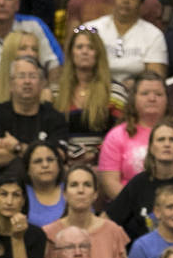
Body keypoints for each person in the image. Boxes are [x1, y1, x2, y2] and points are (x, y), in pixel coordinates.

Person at [97, 73, 173, 199]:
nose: (152, 98)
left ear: (167, 99)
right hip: (131, 210)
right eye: (145, 93)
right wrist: (136, 206)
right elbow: (110, 182)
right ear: (133, 98)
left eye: (158, 94)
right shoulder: (116, 135)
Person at [43, 164, 131, 258]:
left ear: (95, 194)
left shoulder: (113, 231)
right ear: (65, 194)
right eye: (74, 185)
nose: (81, 190)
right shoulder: (49, 233)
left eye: (87, 185)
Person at [0, 55, 69, 173]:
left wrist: (18, 147)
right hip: (3, 184)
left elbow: (58, 157)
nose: (27, 81)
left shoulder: (55, 117)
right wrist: (40, 155)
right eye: (21, 76)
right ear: (11, 84)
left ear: (42, 84)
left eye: (32, 76)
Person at [53, 25, 126, 165]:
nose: (84, 52)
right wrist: (72, 156)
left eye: (90, 48)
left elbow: (120, 132)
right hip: (64, 163)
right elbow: (53, 133)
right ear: (71, 53)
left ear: (98, 53)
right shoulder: (55, 93)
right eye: (79, 47)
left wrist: (94, 154)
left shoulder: (115, 91)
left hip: (105, 164)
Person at [83, 0, 167, 86]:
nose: (126, 1)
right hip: (94, 87)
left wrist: (136, 84)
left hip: (133, 94)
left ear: (141, 3)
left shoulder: (154, 35)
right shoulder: (92, 28)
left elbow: (155, 77)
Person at [0, 29, 42, 108]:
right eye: (23, 48)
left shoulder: (44, 93)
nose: (31, 53)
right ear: (9, 53)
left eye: (34, 49)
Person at [24, 140, 65, 227]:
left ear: (59, 166)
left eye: (50, 160)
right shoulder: (20, 194)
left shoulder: (72, 190)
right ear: (27, 169)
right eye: (38, 161)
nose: (45, 165)